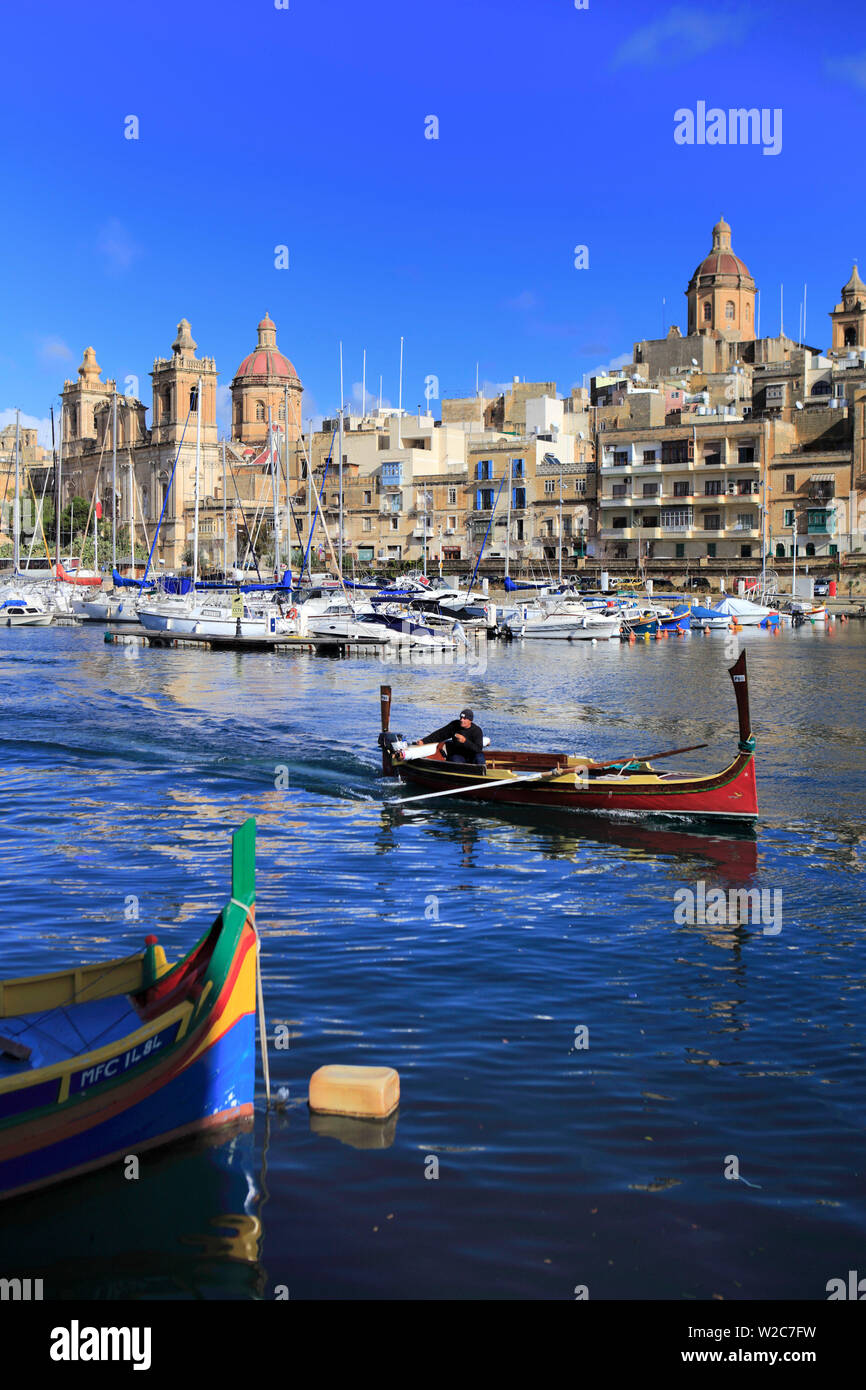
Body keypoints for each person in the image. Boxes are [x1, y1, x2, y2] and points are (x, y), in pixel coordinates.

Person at [417, 708, 485, 767]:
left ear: (470, 720)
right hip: (458, 754)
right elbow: (440, 734)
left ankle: (481, 775)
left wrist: (465, 741)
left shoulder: (477, 731)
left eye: (464, 718)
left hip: (472, 755)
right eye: (461, 718)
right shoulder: (454, 725)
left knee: (479, 758)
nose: (461, 720)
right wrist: (424, 741)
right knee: (455, 761)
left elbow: (478, 749)